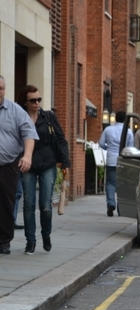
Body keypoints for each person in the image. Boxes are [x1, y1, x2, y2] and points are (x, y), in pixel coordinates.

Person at [17, 84, 71, 255]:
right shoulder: (20, 117)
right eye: (33, 100)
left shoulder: (48, 117)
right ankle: (30, 241)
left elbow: (61, 139)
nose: (37, 103)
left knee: (45, 205)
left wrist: (65, 163)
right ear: (25, 102)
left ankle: (46, 235)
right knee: (29, 204)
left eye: (39, 99)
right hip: (28, 165)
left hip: (48, 163)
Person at [0, 75, 37, 254]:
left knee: (6, 204)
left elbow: (29, 134)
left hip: (7, 165)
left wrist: (27, 156)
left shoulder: (15, 111)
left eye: (1, 88)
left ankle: (4, 241)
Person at [98, 110, 133, 216]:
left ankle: (110, 203)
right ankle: (120, 207)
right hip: (123, 160)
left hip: (111, 160)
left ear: (115, 118)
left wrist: (108, 148)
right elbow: (131, 148)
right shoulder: (129, 131)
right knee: (122, 184)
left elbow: (100, 143)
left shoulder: (108, 129)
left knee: (110, 183)